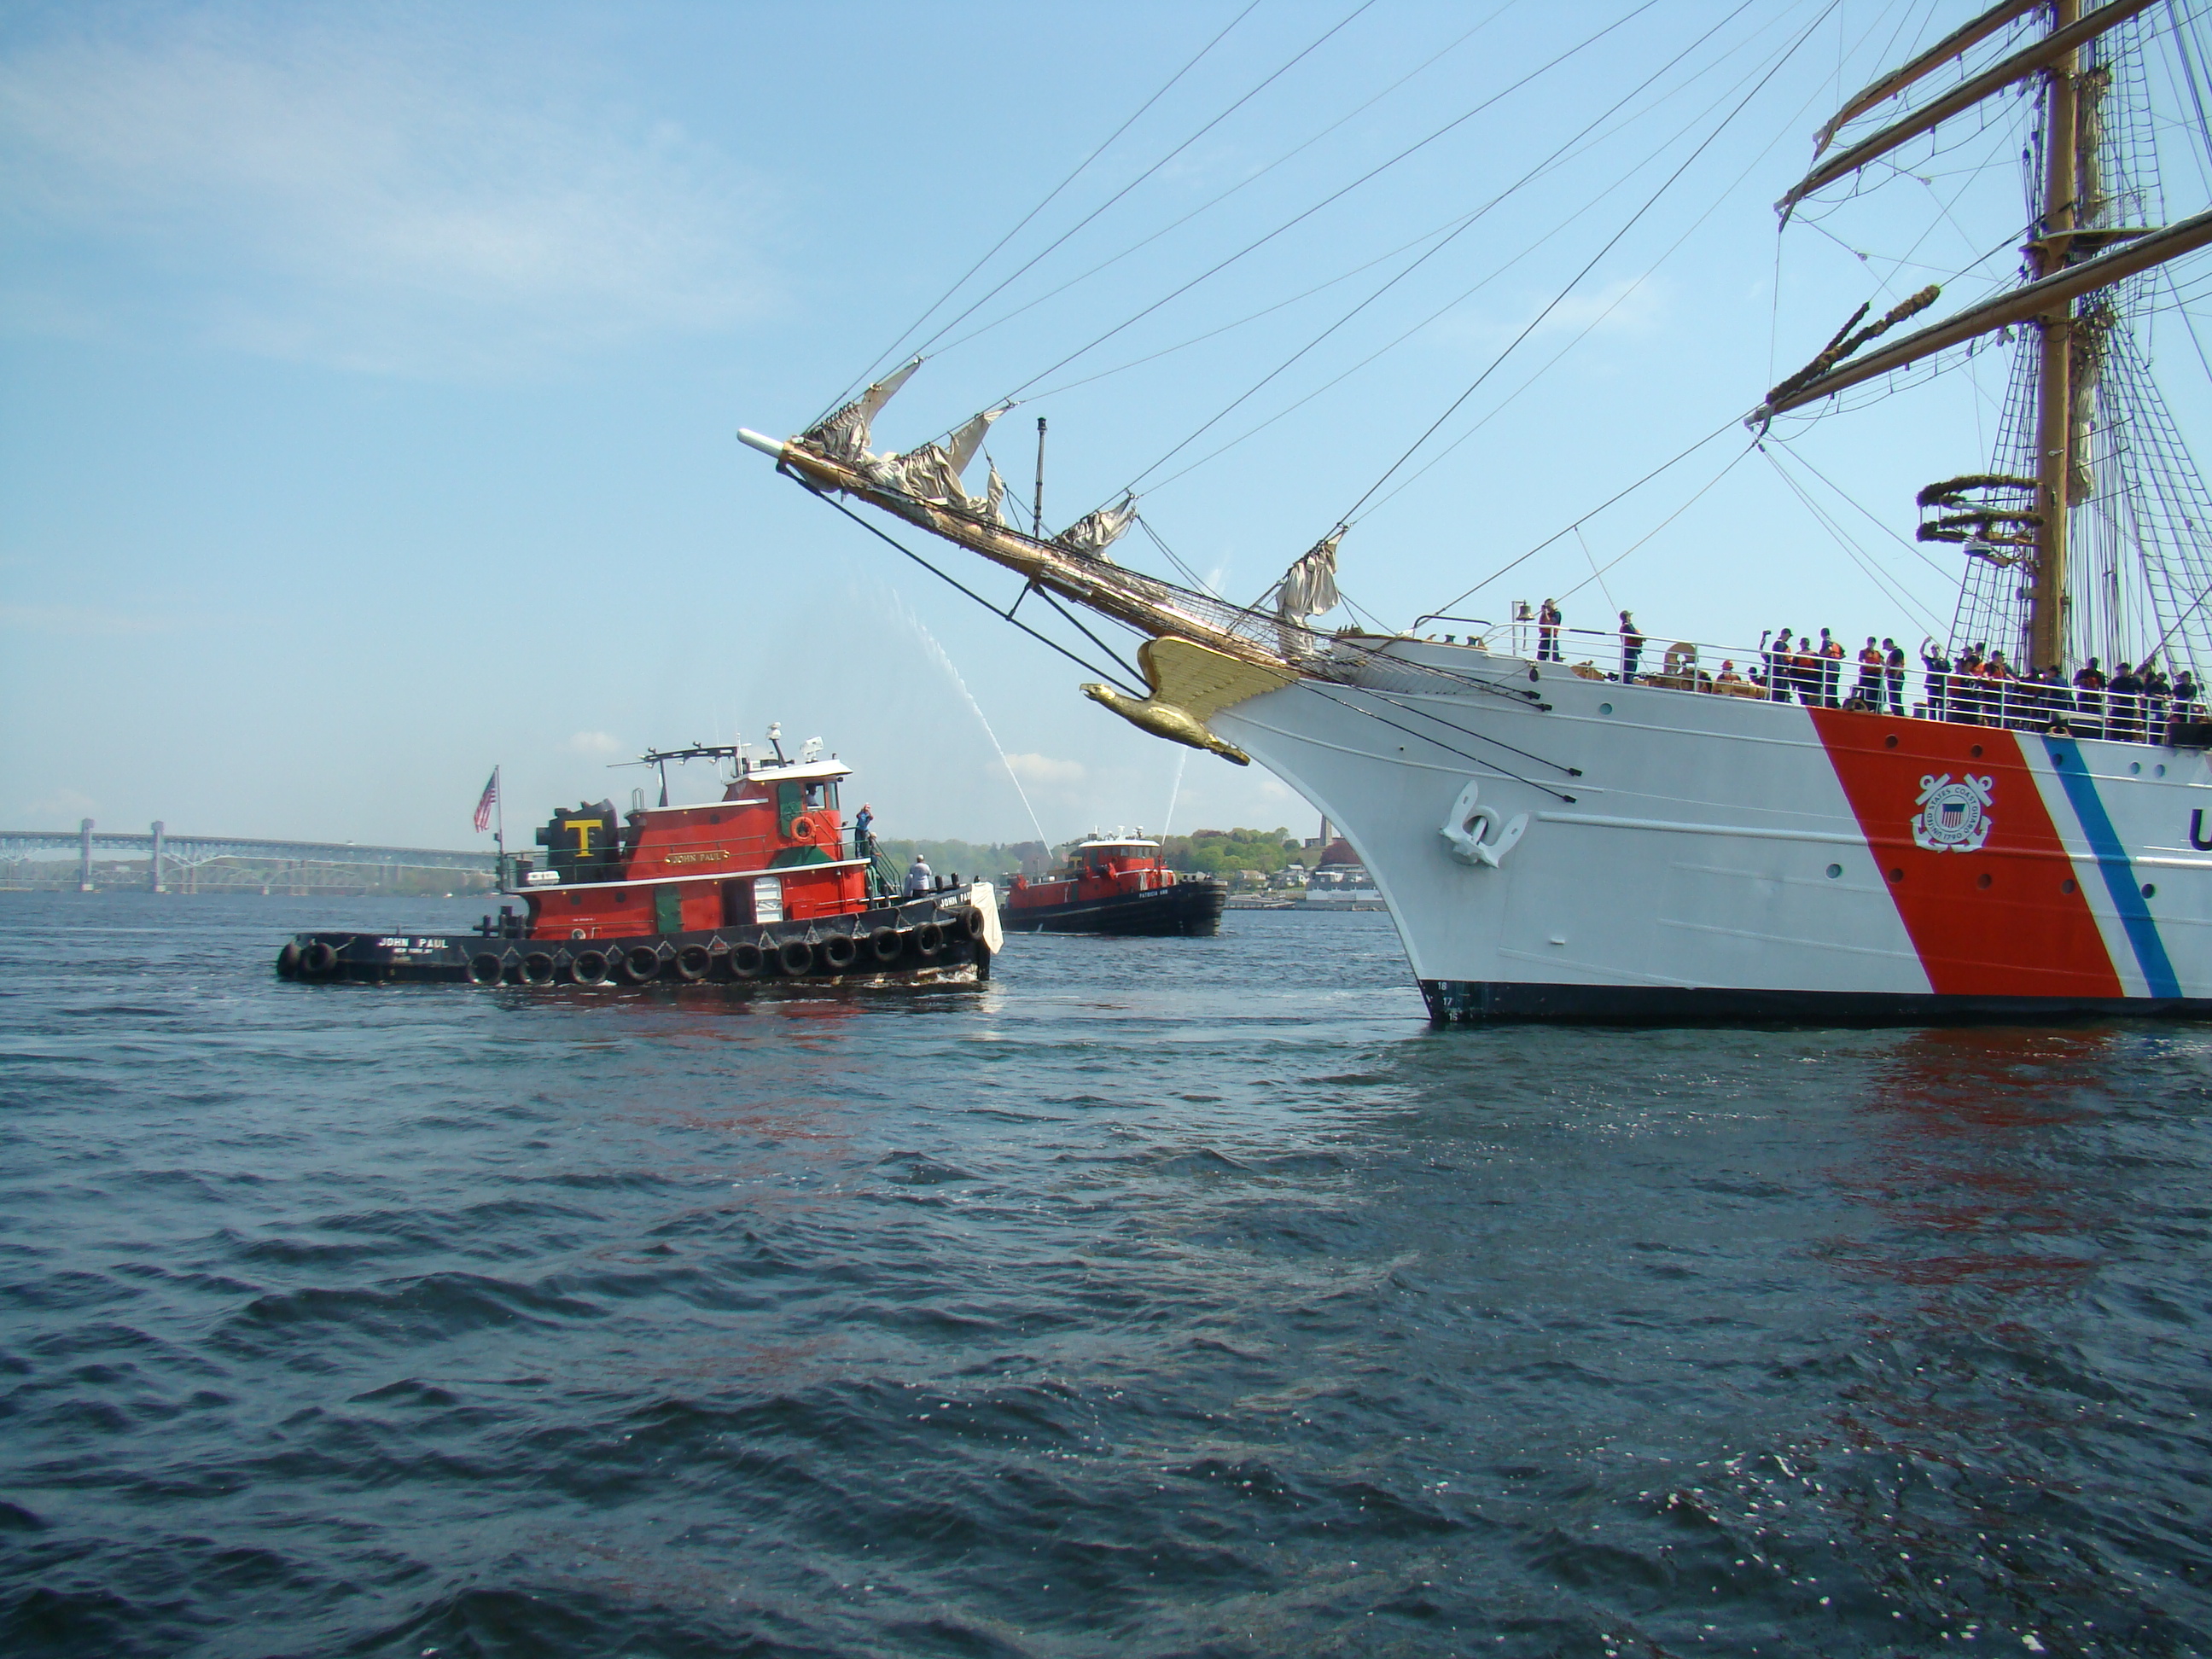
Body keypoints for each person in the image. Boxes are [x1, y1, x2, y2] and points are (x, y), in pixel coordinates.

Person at [1921, 637, 1952, 721]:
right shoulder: (1930, 660)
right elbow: (1921, 652)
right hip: (1932, 684)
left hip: (1941, 685)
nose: (1934, 651)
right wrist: (1925, 642)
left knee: (1941, 705)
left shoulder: (1944, 661)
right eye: (1933, 650)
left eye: (1936, 649)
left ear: (1939, 650)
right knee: (1932, 705)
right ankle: (1932, 720)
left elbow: (1947, 673)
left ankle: (1941, 720)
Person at [1818, 627, 1845, 707]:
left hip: (1829, 665)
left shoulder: (1826, 642)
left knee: (1828, 685)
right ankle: (1834, 702)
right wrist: (1836, 659)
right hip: (1836, 666)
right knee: (1833, 685)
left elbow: (1829, 649)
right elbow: (1843, 654)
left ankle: (1829, 703)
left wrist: (1821, 656)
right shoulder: (1836, 644)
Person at [1855, 637, 1885, 707]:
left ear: (1874, 643)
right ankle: (1861, 704)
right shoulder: (1863, 652)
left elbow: (1882, 661)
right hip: (1866, 674)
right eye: (1869, 642)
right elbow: (1861, 660)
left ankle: (1875, 706)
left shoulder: (1877, 653)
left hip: (1875, 675)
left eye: (1872, 642)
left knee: (1876, 692)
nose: (1870, 644)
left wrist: (1886, 667)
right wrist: (1867, 664)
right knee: (1864, 691)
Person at [1883, 637, 1906, 717]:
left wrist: (1896, 676)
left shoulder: (1897, 652)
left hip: (1896, 677)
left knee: (1895, 697)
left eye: (1886, 647)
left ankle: (1899, 714)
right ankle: (1896, 712)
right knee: (1893, 696)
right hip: (1892, 676)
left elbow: (1898, 664)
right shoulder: (1893, 653)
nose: (1886, 649)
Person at [1618, 610, 1644, 682]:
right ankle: (1628, 682)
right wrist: (1642, 637)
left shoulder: (1625, 626)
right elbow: (1634, 635)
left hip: (1630, 650)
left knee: (1631, 667)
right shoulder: (1627, 626)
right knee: (1630, 667)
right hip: (1630, 650)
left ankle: (1628, 681)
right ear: (1627, 617)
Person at [1538, 598, 1563, 662]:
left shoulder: (1557, 614)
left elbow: (1550, 623)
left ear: (1552, 605)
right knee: (1541, 657)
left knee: (1554, 656)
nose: (1547, 608)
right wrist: (1543, 613)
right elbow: (1541, 624)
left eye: (1548, 606)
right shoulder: (1546, 615)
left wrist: (1546, 614)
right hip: (1544, 637)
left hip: (1551, 637)